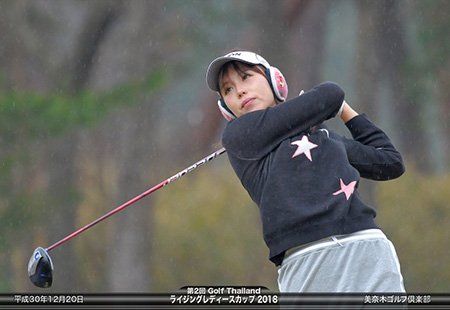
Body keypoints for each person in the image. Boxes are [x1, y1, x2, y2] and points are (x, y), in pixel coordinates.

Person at [205, 50, 406, 293]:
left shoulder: (323, 136)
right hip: (307, 262)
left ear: (275, 81)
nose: (239, 91)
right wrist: (318, 107)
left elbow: (390, 161)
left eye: (246, 77)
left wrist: (343, 110)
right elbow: (330, 93)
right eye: (228, 90)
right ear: (227, 109)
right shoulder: (238, 135)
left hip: (365, 249)